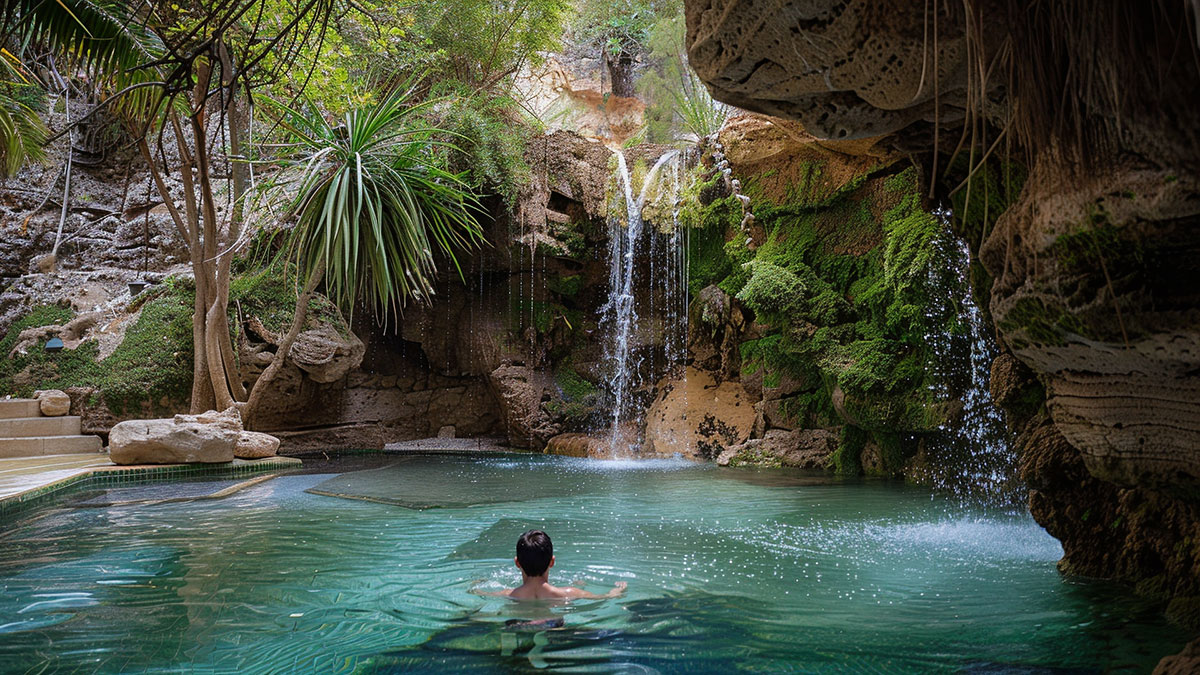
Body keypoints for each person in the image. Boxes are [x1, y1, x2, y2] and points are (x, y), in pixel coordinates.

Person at [474, 529, 626, 601]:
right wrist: (619, 589)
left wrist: (475, 585)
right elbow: (604, 597)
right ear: (552, 562)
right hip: (555, 627)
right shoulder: (570, 593)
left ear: (517, 563)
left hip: (518, 625)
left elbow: (477, 593)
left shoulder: (507, 594)